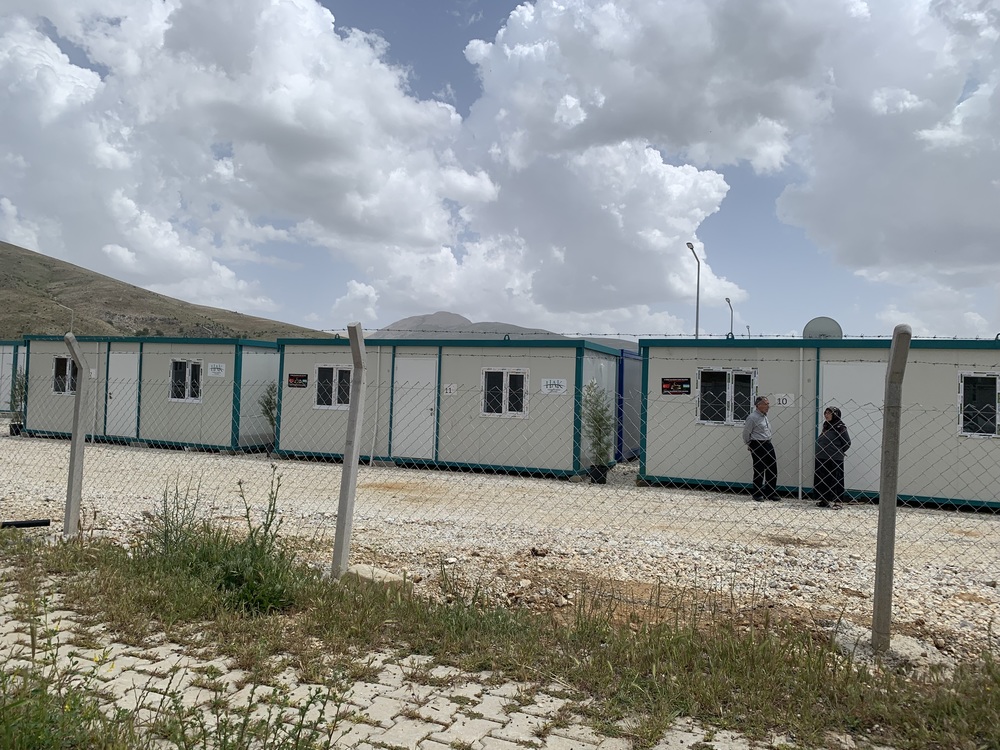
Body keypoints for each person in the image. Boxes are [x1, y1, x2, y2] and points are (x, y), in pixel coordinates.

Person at [742, 396, 778, 501]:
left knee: (772, 468)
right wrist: (749, 444)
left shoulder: (764, 416)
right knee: (759, 469)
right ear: (758, 405)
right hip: (757, 444)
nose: (768, 406)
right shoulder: (752, 417)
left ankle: (770, 493)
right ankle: (757, 493)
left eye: (768, 404)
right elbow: (746, 433)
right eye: (765, 404)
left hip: (768, 443)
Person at [814, 406, 851, 508]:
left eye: (829, 413)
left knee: (836, 479)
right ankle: (824, 499)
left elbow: (847, 442)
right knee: (823, 479)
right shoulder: (826, 425)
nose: (826, 415)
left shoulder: (840, 427)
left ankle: (838, 501)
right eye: (825, 413)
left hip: (834, 458)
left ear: (835, 415)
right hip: (822, 457)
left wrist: (837, 451)